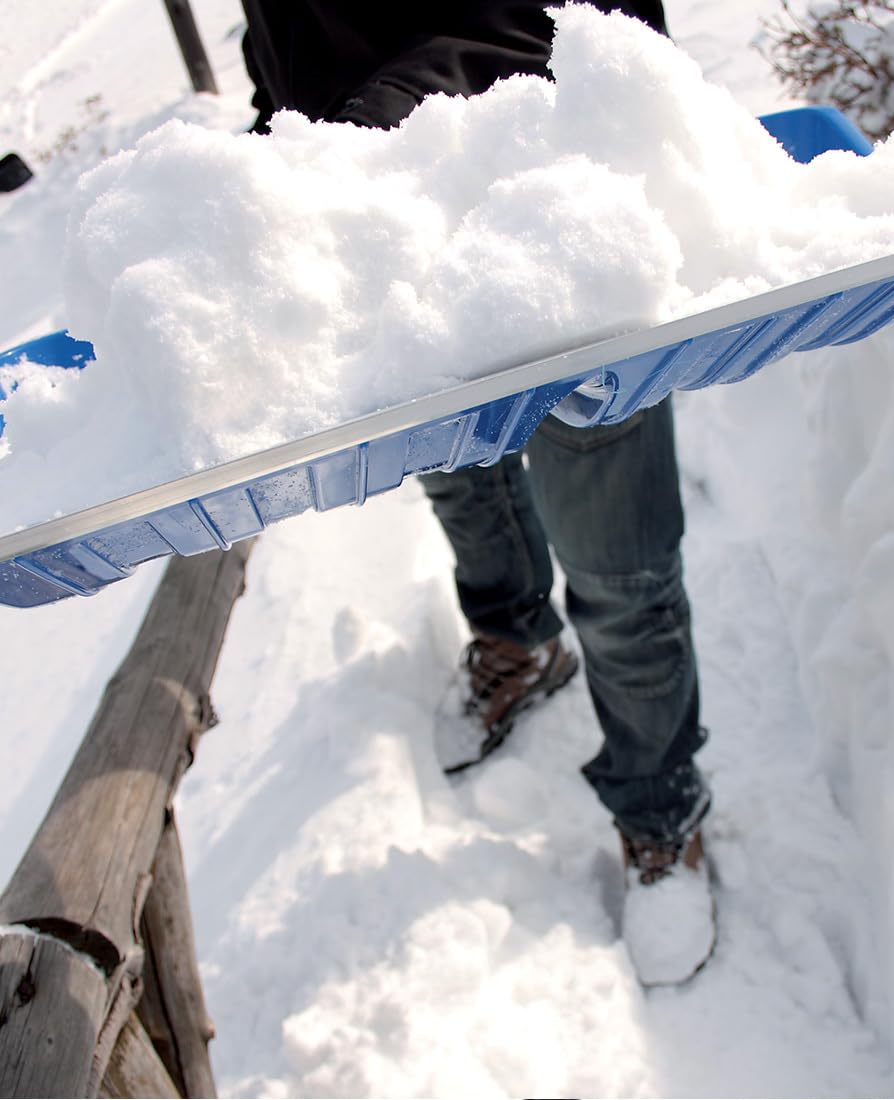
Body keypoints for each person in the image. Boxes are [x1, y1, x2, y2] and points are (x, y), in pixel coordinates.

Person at [241, 0, 714, 986]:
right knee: (463, 483)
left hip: (555, 236)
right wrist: (270, 158)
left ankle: (658, 813)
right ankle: (518, 638)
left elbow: (556, 19)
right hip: (397, 267)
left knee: (618, 576)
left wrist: (359, 135)